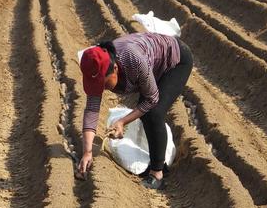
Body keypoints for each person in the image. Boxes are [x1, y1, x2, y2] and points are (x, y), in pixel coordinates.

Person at [78, 32, 193, 189]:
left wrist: (122, 122)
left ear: (116, 68)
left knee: (154, 113)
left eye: (104, 83)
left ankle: (157, 173)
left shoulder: (133, 60)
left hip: (175, 61)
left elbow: (152, 99)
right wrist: (87, 153)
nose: (102, 89)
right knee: (145, 113)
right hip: (150, 64)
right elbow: (91, 109)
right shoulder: (96, 66)